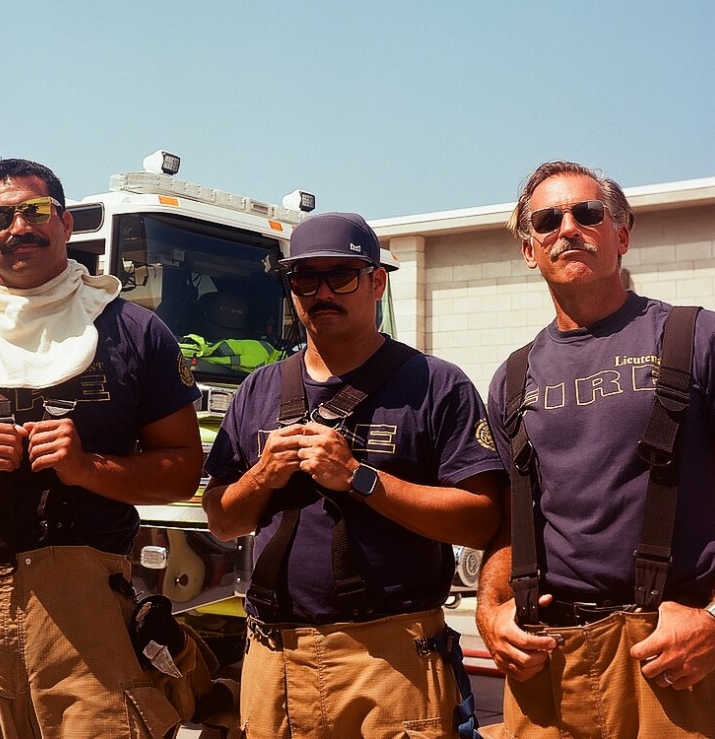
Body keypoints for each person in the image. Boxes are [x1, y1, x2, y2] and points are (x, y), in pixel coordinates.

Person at [0, 158, 206, 739]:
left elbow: (182, 471)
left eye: (35, 210)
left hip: (88, 611)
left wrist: (88, 467)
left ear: (66, 223)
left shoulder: (135, 334)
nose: (19, 226)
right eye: (0, 218)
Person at [202, 211, 504, 739]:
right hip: (275, 658)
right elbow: (223, 522)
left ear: (376, 282)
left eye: (341, 275)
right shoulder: (257, 389)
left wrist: (361, 478)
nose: (322, 292)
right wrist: (262, 475)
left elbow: (481, 521)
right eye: (305, 277)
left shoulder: (436, 385)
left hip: (390, 659)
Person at [476, 160, 715, 739]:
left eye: (587, 213)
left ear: (621, 235)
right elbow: (511, 521)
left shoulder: (700, 339)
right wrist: (490, 610)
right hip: (548, 660)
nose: (568, 228)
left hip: (671, 657)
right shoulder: (512, 377)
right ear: (529, 250)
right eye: (547, 220)